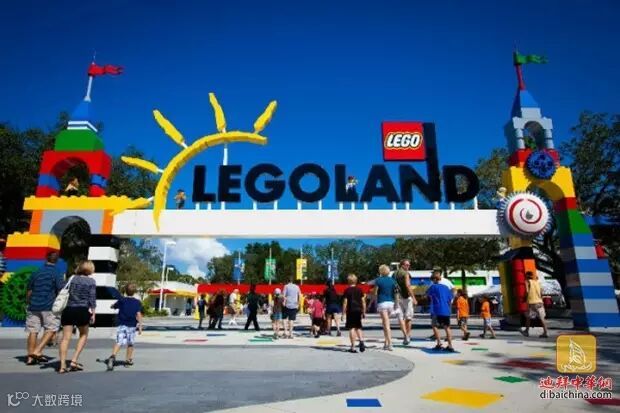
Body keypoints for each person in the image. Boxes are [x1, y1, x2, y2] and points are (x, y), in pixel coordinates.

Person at [24, 252, 65, 365]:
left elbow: (29, 290)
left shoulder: (36, 272)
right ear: (57, 260)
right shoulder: (57, 273)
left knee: (33, 331)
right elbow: (60, 290)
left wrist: (28, 303)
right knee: (51, 329)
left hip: (33, 305)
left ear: (46, 259)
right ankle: (37, 351)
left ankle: (30, 358)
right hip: (49, 306)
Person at [58, 260, 97, 373]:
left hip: (69, 309)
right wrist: (93, 313)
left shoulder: (72, 278)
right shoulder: (91, 281)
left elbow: (62, 289)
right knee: (83, 334)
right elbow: (92, 298)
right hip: (82, 311)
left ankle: (62, 365)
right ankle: (74, 360)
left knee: (65, 338)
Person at [105, 284, 143, 371]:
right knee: (130, 343)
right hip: (131, 326)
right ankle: (128, 360)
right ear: (134, 292)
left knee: (119, 342)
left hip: (121, 325)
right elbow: (138, 314)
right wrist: (140, 326)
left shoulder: (122, 300)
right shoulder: (137, 302)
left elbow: (113, 306)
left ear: (125, 291)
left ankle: (112, 356)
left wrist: (112, 306)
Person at [427, 272, 455, 352]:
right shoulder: (446, 287)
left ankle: (439, 343)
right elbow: (450, 298)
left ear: (434, 279)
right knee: (447, 327)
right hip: (446, 310)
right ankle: (450, 345)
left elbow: (427, 295)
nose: (432, 281)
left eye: (432, 280)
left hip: (436, 310)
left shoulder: (433, 287)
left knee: (434, 325)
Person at [373, 264, 399, 351]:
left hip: (382, 303)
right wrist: (397, 304)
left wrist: (374, 303)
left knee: (386, 324)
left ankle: (390, 343)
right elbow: (396, 293)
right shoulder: (393, 280)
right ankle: (386, 342)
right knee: (385, 324)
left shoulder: (378, 280)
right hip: (391, 303)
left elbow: (375, 293)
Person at [394, 259, 417, 345]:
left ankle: (405, 336)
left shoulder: (394, 274)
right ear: (402, 265)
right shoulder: (406, 274)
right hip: (406, 297)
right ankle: (408, 335)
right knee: (408, 317)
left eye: (409, 265)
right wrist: (414, 298)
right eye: (407, 265)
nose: (408, 266)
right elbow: (408, 285)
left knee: (400, 318)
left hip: (397, 297)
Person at [342, 273, 366, 353]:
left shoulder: (347, 290)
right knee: (358, 327)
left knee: (352, 328)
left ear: (348, 281)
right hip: (358, 310)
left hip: (351, 311)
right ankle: (361, 341)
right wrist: (364, 311)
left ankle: (353, 347)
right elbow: (363, 301)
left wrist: (343, 313)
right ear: (356, 281)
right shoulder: (360, 290)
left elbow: (345, 302)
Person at [521, 271, 549, 338]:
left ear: (526, 276)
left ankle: (526, 331)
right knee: (542, 318)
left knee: (528, 317)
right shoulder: (537, 282)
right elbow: (541, 293)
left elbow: (527, 292)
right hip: (540, 302)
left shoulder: (527, 282)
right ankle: (545, 332)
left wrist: (524, 298)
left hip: (531, 302)